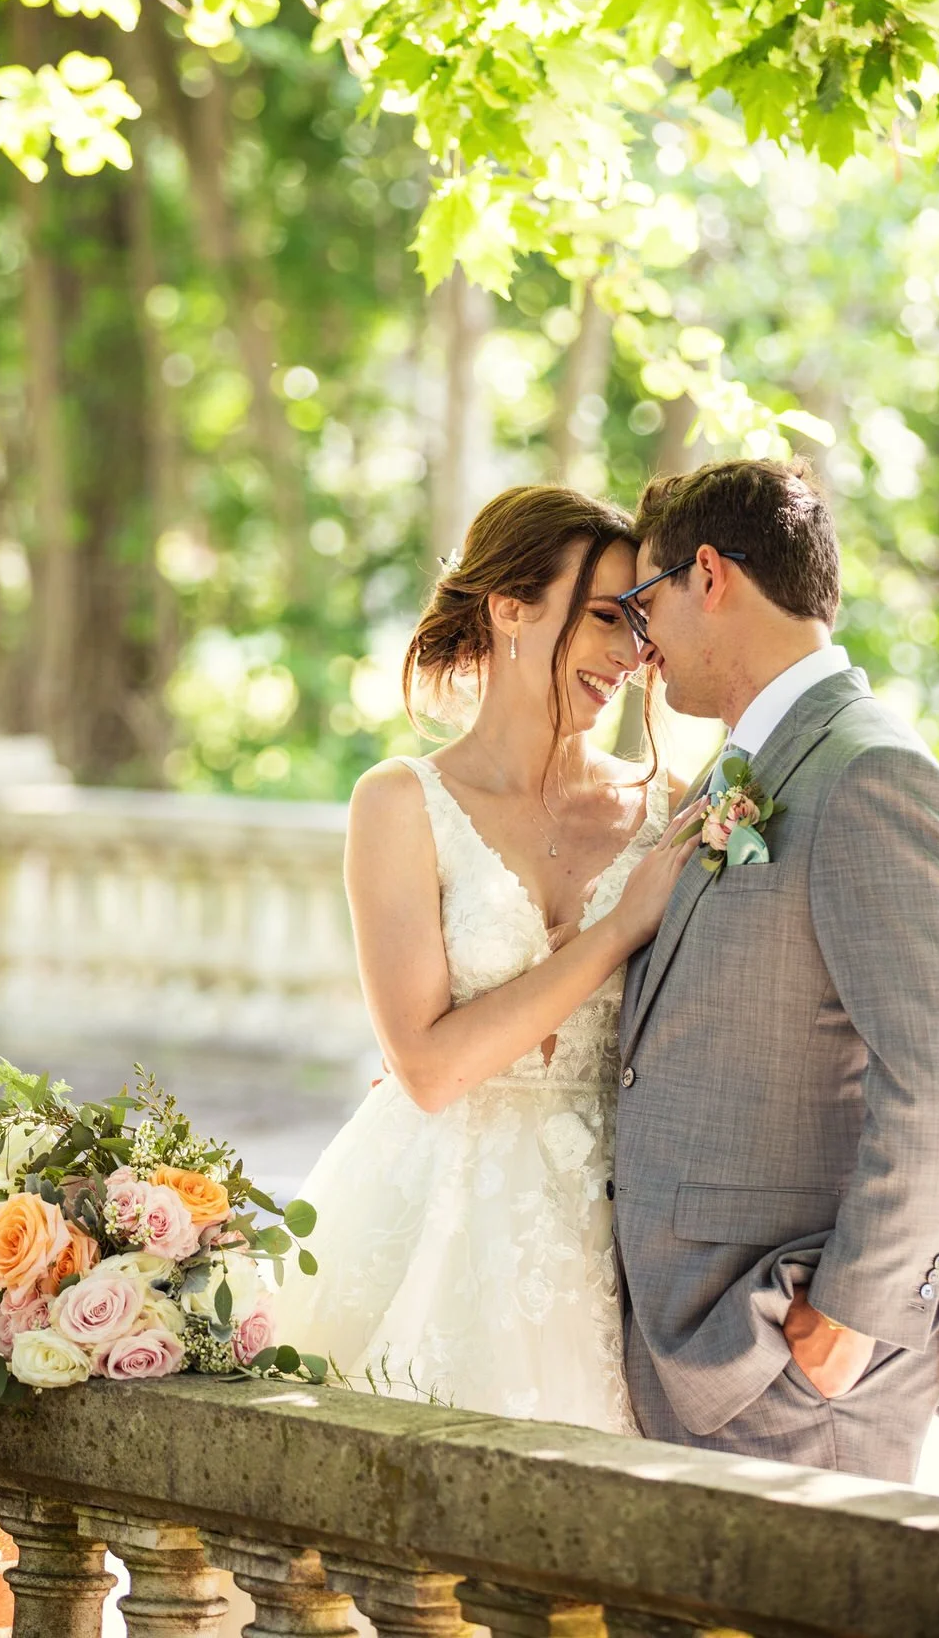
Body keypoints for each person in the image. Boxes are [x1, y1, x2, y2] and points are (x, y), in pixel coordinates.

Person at [273, 485, 696, 1426]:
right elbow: (425, 1068)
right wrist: (617, 928)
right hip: (430, 1215)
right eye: (601, 619)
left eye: (639, 623)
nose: (629, 654)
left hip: (616, 1227)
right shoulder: (399, 803)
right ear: (509, 606)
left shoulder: (672, 810)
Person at [612, 457, 939, 1481]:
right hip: (697, 1358)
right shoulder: (742, 766)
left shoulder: (868, 772)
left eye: (643, 602)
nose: (638, 641)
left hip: (794, 1375)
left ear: (709, 575)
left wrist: (851, 1314)